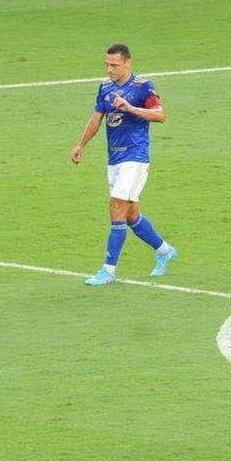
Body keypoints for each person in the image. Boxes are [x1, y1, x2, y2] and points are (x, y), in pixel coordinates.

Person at [72, 43, 177, 285]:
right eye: (107, 64)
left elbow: (160, 115)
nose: (109, 69)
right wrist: (81, 145)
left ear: (128, 63)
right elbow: (96, 118)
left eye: (114, 65)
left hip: (136, 157)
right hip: (114, 158)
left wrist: (130, 107)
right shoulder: (105, 88)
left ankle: (108, 270)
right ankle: (165, 251)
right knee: (130, 215)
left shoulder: (143, 87)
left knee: (117, 207)